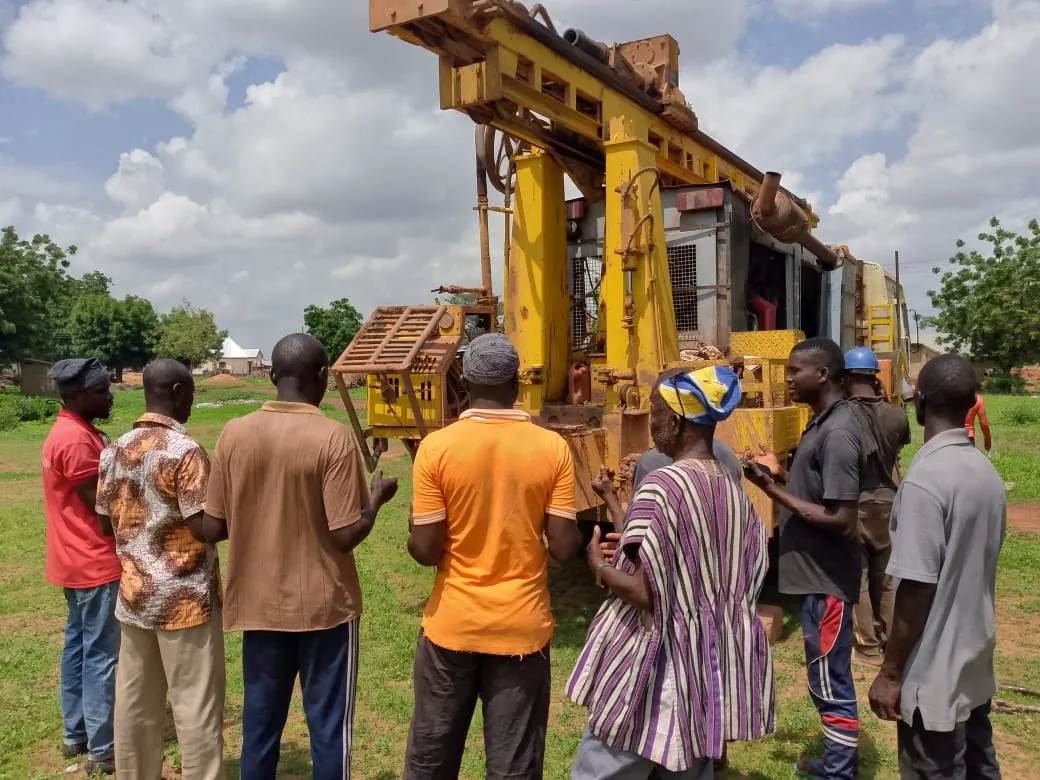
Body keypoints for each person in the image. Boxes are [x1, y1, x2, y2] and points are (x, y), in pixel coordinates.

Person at [198, 333, 399, 780]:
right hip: (324, 610)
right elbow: (346, 534)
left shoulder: (234, 434)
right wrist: (376, 501)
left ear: (270, 374)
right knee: (329, 728)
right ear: (324, 377)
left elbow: (214, 526)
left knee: (260, 728)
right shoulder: (332, 438)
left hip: (257, 606)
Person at [567, 366, 775, 780]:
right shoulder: (734, 492)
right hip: (703, 674)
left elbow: (648, 595)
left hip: (653, 674)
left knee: (603, 768)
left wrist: (600, 568)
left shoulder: (664, 485)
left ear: (676, 422)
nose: (653, 424)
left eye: (656, 414)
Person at [403, 333, 583, 780]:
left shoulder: (436, 449)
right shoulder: (552, 448)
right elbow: (563, 547)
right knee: (514, 767)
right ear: (517, 384)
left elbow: (424, 552)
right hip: (521, 631)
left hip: (452, 627)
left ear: (464, 379)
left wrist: (416, 526)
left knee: (431, 759)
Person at [868, 354, 1005, 779]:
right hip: (974, 660)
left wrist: (890, 674)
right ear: (971, 404)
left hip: (933, 678)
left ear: (920, 401)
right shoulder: (984, 471)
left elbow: (916, 588)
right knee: (981, 766)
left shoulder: (926, 480)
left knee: (935, 769)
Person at [95, 359, 225, 780]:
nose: (192, 400)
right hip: (184, 604)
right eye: (190, 391)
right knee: (195, 706)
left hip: (134, 598)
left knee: (136, 704)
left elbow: (103, 519)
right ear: (175, 391)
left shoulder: (114, 449)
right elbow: (203, 527)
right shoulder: (183, 452)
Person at [744, 337, 862, 780]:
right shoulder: (820, 423)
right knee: (822, 679)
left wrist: (773, 492)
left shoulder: (838, 433)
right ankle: (836, 764)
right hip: (815, 578)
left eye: (795, 371)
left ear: (824, 375)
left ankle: (840, 773)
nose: (787, 379)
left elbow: (842, 518)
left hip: (828, 580)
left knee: (833, 683)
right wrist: (778, 476)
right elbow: (814, 492)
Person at [41, 357, 119, 776]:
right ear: (74, 395)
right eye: (101, 390)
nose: (109, 395)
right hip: (94, 562)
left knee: (79, 647)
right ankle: (103, 747)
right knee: (102, 655)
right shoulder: (75, 440)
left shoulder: (75, 431)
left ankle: (76, 734)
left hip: (72, 559)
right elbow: (103, 511)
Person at [843, 347, 911, 667]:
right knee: (886, 578)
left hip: (855, 503)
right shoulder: (897, 414)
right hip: (890, 503)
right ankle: (889, 640)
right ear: (876, 377)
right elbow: (897, 452)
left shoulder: (840, 416)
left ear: (846, 377)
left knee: (858, 576)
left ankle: (867, 647)